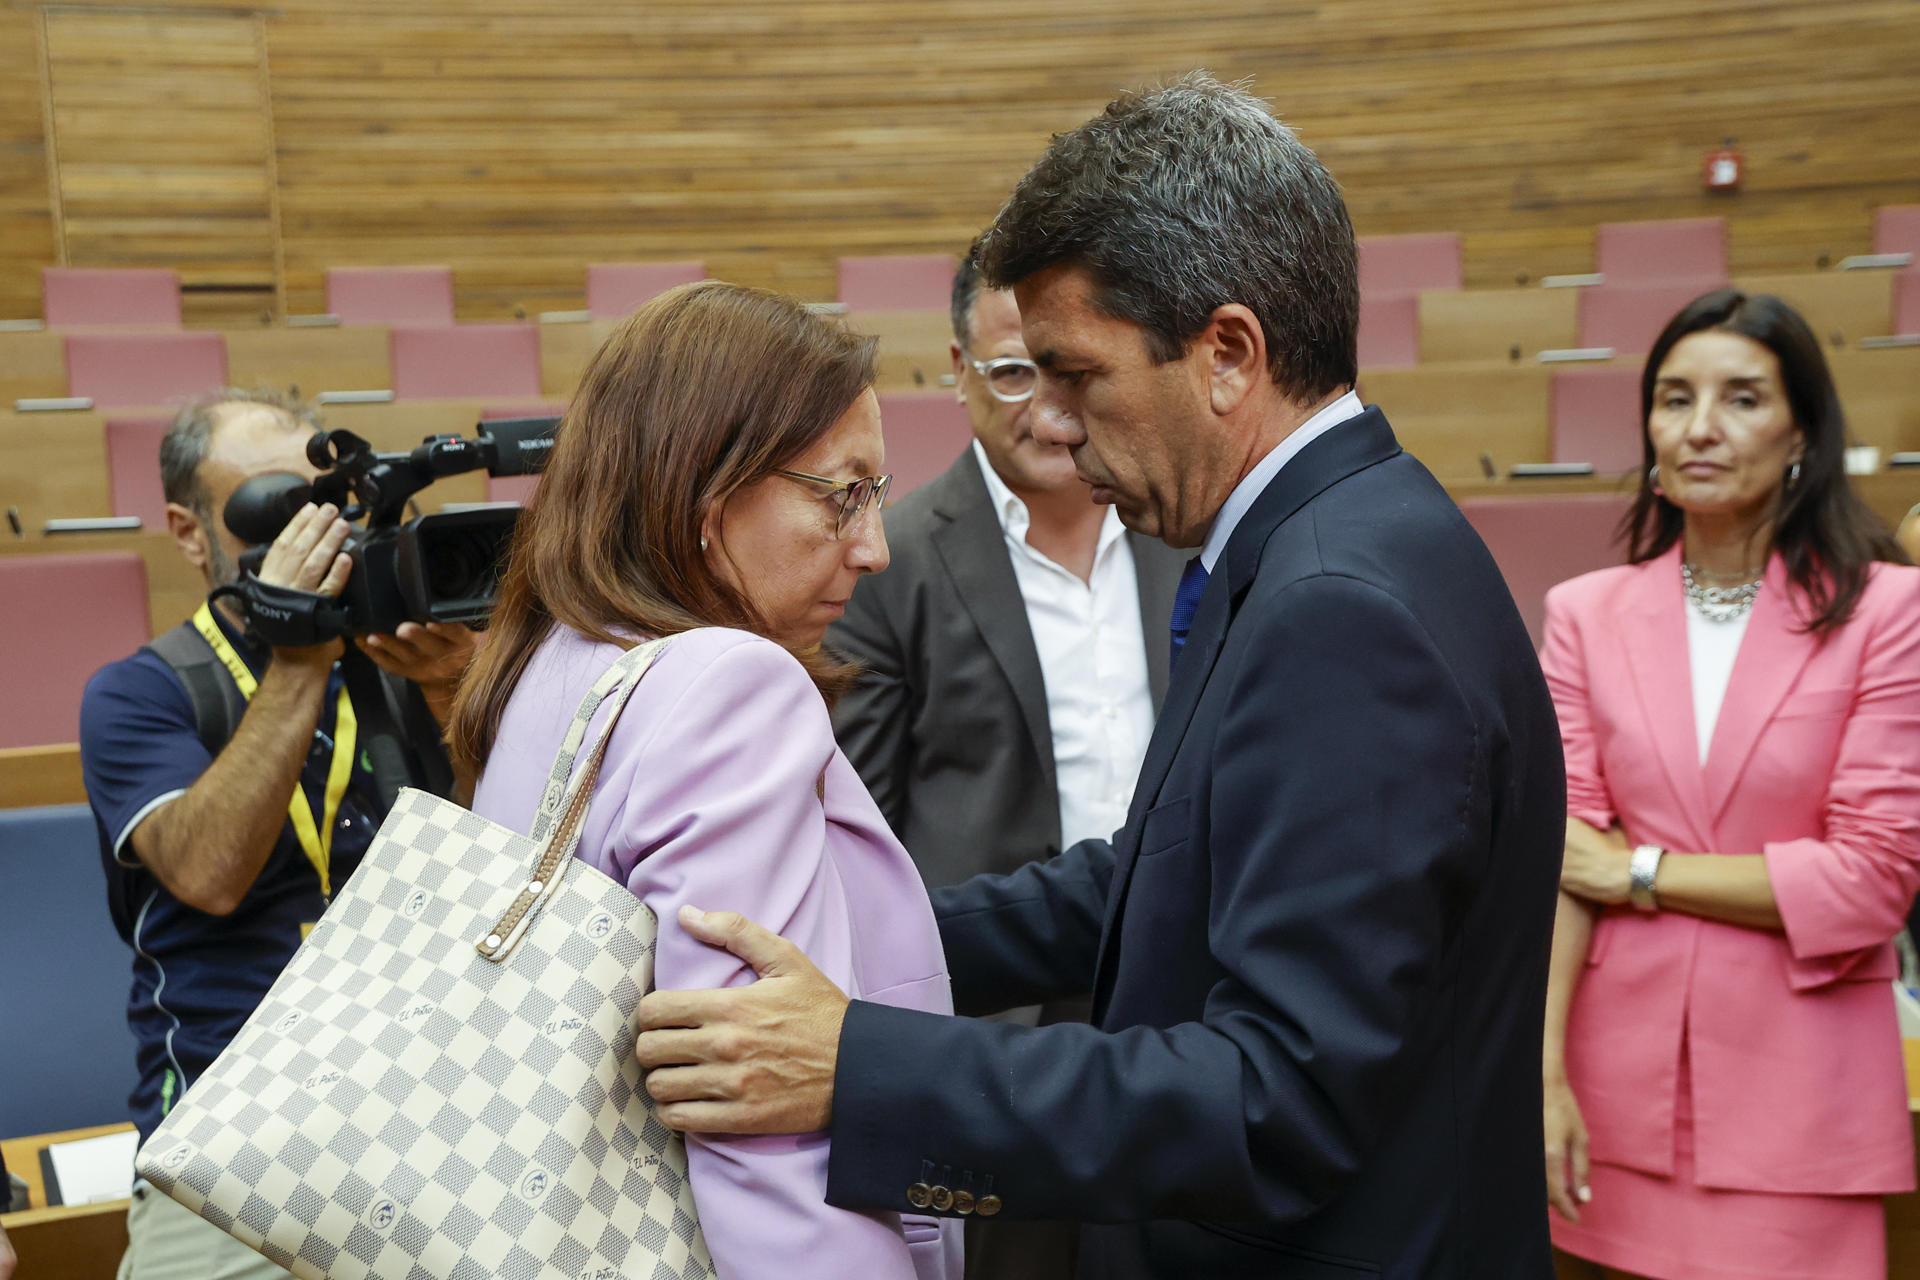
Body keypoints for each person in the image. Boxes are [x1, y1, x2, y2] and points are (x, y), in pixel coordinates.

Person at [631, 72, 1565, 1279]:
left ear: (1228, 353)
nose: (1055, 428)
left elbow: (1276, 1098)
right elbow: (1167, 873)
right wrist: (860, 931)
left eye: (1077, 375)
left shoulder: (1340, 608)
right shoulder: (1333, 539)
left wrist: (857, 1063)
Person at [449, 281, 963, 1280]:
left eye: (880, 494)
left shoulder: (551, 656)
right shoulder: (732, 684)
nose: (875, 547)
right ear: (703, 492)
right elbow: (763, 1122)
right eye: (843, 492)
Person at [1540, 290, 1920, 1280]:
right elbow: (1564, 863)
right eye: (1675, 399)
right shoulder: (1584, 613)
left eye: (1742, 398)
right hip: (1613, 1098)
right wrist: (1542, 1079)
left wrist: (1638, 871)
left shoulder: (1889, 610)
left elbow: (1872, 879)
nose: (1700, 427)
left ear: (1802, 434)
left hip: (1805, 1101)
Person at [827, 256, 1183, 1280]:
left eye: (1068, 374)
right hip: (988, 1015)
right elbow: (864, 827)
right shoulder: (889, 560)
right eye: (1015, 374)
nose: (1050, 410)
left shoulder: (1177, 532)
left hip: (1166, 995)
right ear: (959, 368)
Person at [77, 389, 474, 1280]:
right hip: (234, 1145)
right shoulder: (141, 692)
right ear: (190, 533)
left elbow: (519, 864)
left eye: (326, 501)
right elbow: (209, 873)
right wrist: (301, 658)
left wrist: (458, 697)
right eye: (272, 505)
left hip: (436, 1122)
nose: (315, 529)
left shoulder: (409, 662)